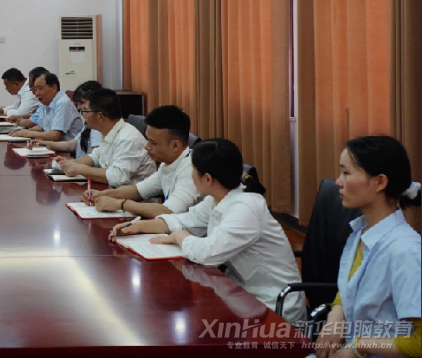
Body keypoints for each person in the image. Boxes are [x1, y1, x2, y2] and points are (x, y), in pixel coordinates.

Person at [111, 138, 306, 323]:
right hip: (240, 292)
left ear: (207, 178)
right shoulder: (218, 199)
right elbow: (183, 220)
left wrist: (180, 237)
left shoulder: (245, 209)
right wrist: (140, 226)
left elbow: (208, 253)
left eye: (193, 169)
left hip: (273, 305)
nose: (191, 174)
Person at [314, 136, 421, 358]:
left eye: (346, 173)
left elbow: (418, 343)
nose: (338, 182)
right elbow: (350, 288)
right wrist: (336, 316)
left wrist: (359, 346)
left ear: (380, 183)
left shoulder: (405, 250)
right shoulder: (361, 232)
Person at [84, 105, 202, 218]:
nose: (146, 146)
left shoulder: (191, 170)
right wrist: (102, 194)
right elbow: (138, 191)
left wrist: (122, 204)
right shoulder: (168, 163)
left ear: (175, 146)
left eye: (153, 143)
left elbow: (169, 211)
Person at [58, 88, 155, 186]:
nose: (84, 115)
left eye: (86, 111)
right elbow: (95, 157)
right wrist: (71, 163)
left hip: (129, 195)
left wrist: (80, 169)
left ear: (100, 116)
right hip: (111, 191)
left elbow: (117, 177)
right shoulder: (110, 132)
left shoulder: (128, 139)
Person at [8, 72, 83, 143]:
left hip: (68, 150)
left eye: (40, 88)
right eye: (36, 89)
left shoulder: (63, 103)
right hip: (54, 146)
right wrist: (24, 132)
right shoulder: (46, 102)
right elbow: (42, 127)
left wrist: (28, 133)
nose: (37, 94)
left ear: (54, 88)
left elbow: (55, 135)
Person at [42, 80, 103, 157]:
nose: (78, 107)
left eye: (82, 103)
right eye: (77, 103)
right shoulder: (88, 125)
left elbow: (95, 159)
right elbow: (72, 145)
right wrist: (45, 144)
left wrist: (71, 163)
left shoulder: (97, 128)